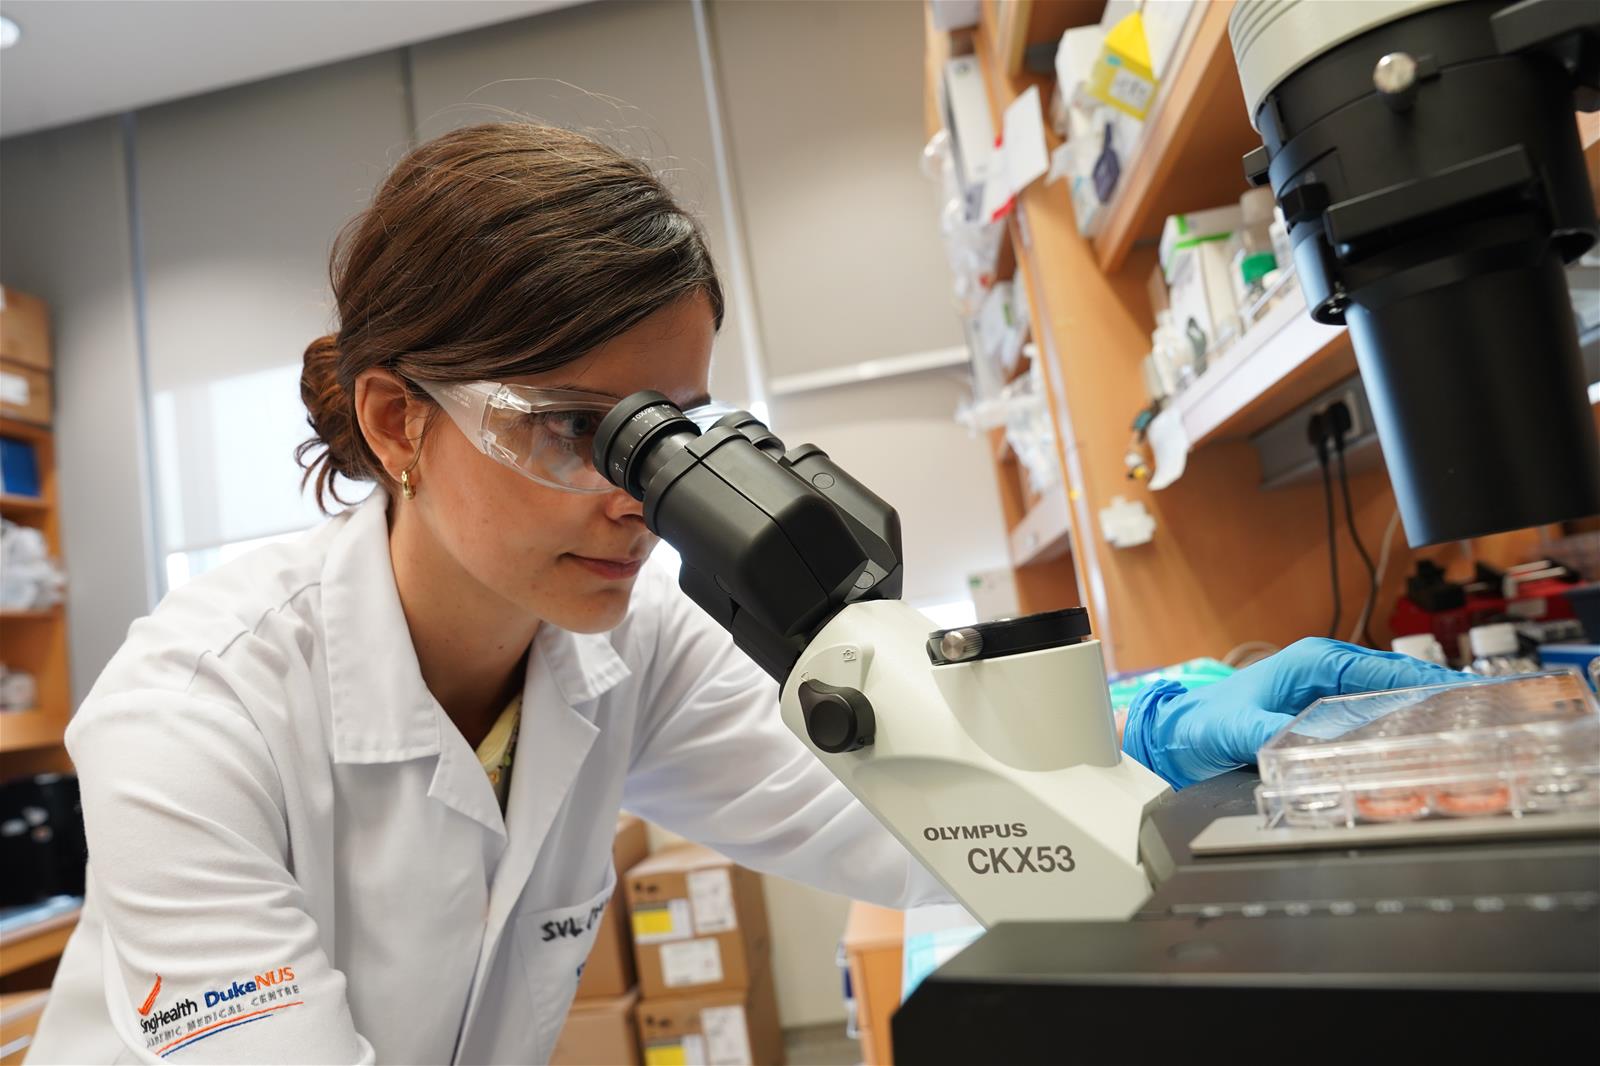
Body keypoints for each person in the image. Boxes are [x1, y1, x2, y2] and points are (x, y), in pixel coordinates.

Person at [28, 123, 1459, 1064]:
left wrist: (1157, 729)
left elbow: (914, 814)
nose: (635, 497)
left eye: (670, 431)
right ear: (401, 423)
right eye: (574, 428)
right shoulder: (195, 713)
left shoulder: (624, 643)